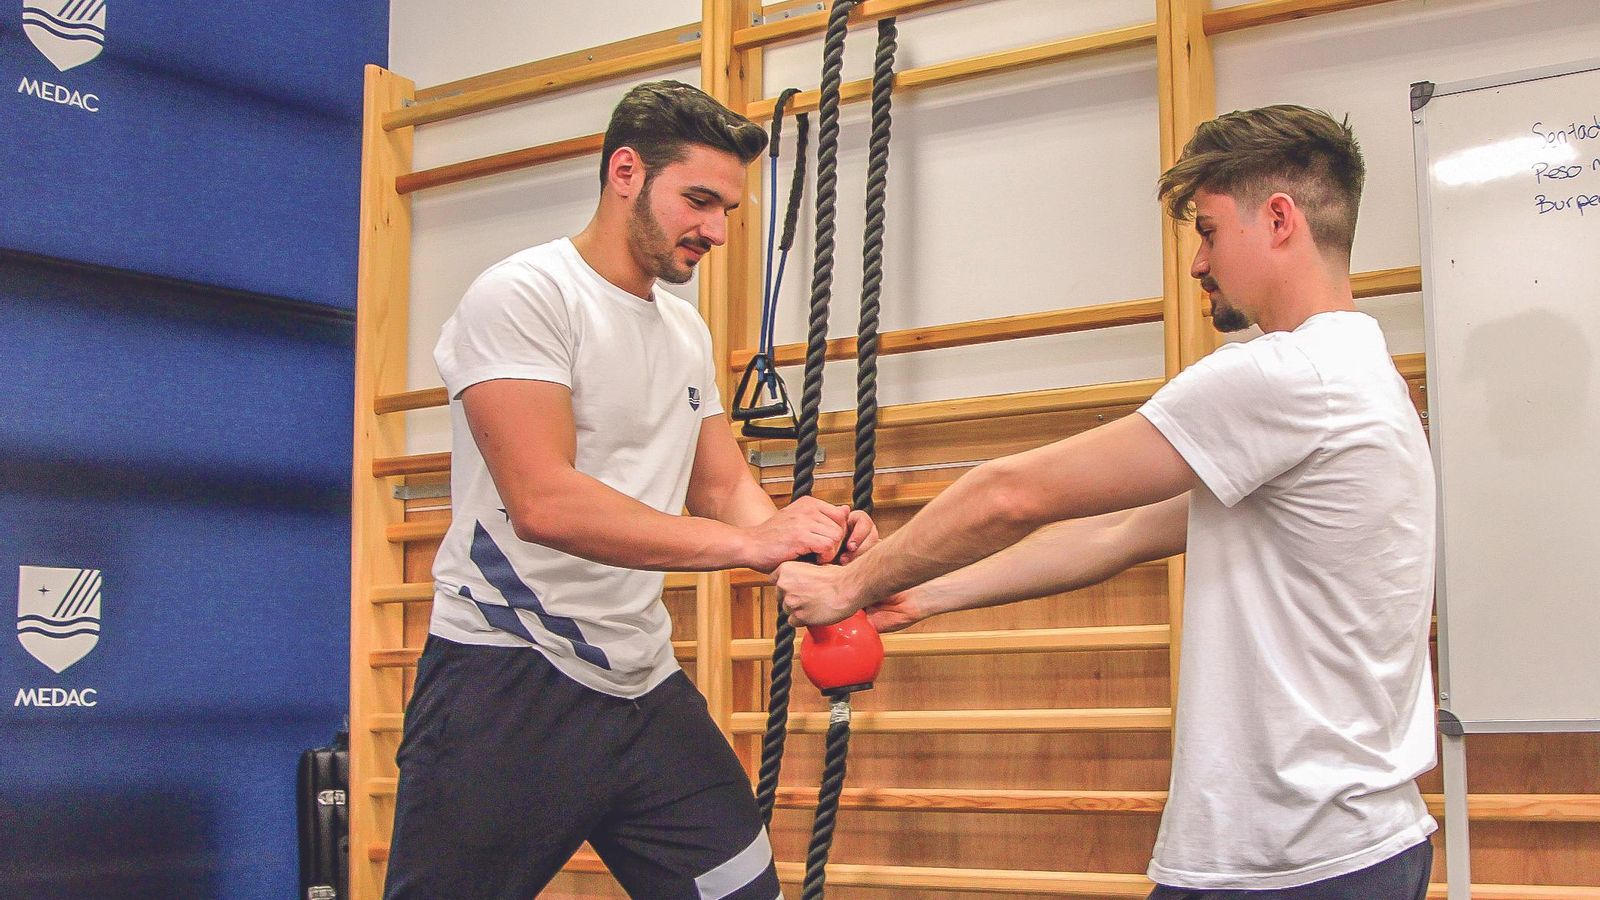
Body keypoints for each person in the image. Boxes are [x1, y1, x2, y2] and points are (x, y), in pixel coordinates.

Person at [776, 105, 1437, 898]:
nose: (1198, 262)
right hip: (1347, 845)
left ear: (1280, 218)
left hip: (1291, 861)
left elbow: (1010, 493)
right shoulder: (1362, 376)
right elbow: (1119, 532)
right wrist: (920, 596)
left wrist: (851, 584)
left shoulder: (1287, 376)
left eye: (1210, 230)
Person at [384, 80, 877, 900]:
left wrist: (799, 546)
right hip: (507, 679)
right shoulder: (527, 296)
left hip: (641, 680)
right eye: (698, 200)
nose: (716, 230)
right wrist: (753, 544)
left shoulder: (683, 328)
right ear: (624, 172)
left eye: (726, 208)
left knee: (743, 893)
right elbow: (545, 501)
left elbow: (720, 489)